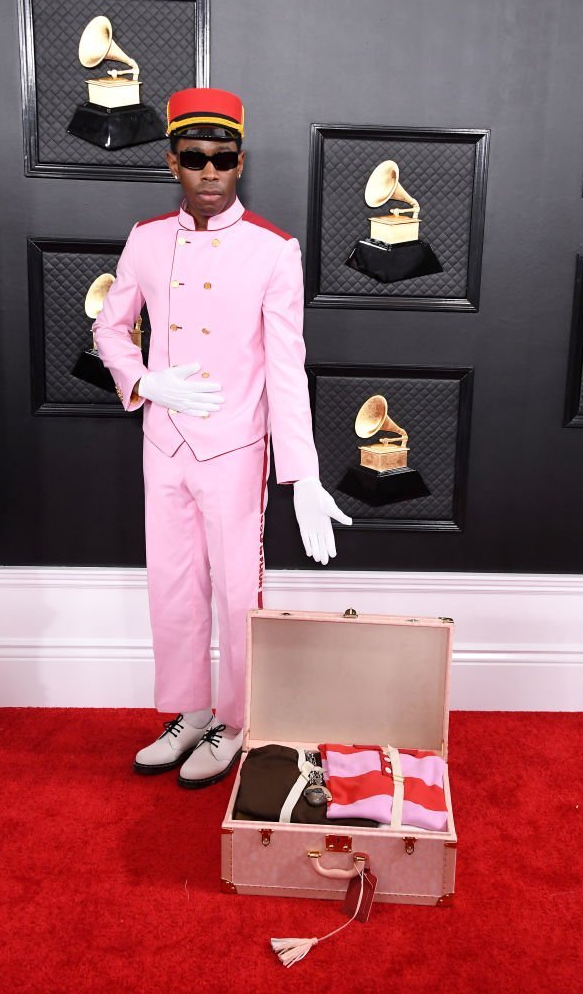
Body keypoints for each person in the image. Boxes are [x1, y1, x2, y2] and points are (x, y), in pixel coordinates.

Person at [93, 87, 351, 788]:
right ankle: (189, 710)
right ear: (172, 161)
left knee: (239, 591)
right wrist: (145, 382)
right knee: (173, 586)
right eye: (194, 158)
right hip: (163, 443)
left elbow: (285, 365)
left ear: (240, 162)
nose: (209, 171)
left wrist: (300, 474)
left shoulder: (273, 250)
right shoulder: (146, 239)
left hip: (234, 449)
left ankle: (235, 719)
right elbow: (109, 329)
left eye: (223, 158)